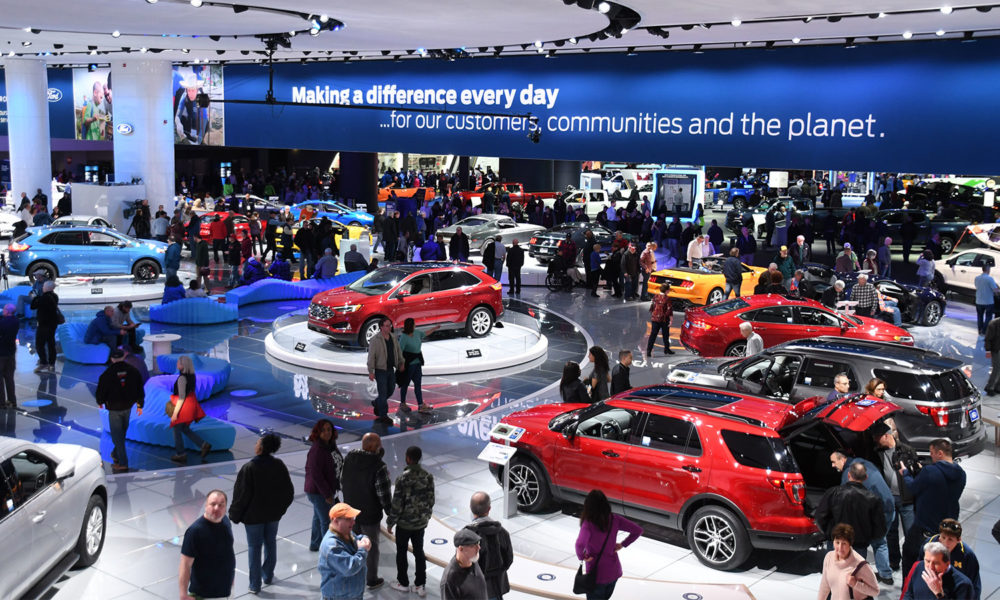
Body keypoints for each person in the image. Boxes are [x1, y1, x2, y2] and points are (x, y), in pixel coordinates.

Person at [229, 432, 294, 594]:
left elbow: (242, 495)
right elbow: (288, 491)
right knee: (270, 542)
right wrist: (280, 510)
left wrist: (234, 514)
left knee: (254, 547)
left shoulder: (249, 468)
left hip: (253, 518)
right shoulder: (279, 465)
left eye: (257, 442)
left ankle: (255, 584)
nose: (255, 444)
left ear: (262, 447)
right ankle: (268, 575)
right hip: (273, 516)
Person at [900, 438, 966, 577]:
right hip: (947, 529)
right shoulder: (961, 474)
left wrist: (905, 473)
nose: (930, 456)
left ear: (940, 453)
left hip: (925, 528)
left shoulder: (930, 472)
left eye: (932, 453)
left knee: (910, 558)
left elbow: (913, 487)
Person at [831, 452, 895, 584]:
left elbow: (848, 499)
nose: (833, 465)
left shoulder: (848, 474)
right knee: (880, 542)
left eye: (834, 462)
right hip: (889, 507)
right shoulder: (864, 463)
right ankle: (886, 575)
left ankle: (859, 575)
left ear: (842, 459)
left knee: (861, 543)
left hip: (878, 511)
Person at [341, 432, 392, 591]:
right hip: (370, 514)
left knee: (354, 543)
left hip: (351, 511)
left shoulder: (349, 457)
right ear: (377, 448)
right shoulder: (379, 467)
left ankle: (355, 572)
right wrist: (391, 513)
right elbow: (384, 495)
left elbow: (343, 480)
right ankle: (371, 579)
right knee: (370, 546)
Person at [574, 489, 642, 600]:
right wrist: (622, 544)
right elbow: (638, 530)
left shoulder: (588, 524)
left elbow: (579, 545)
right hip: (614, 572)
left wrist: (582, 557)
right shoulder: (615, 519)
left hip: (596, 576)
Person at [387, 446, 435, 596]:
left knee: (401, 552)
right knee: (419, 552)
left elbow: (397, 504)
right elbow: (431, 500)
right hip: (420, 524)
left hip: (404, 524)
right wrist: (425, 517)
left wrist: (390, 522)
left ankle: (403, 583)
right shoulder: (428, 476)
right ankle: (420, 584)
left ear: (407, 458)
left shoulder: (402, 478)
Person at [814, 462, 887, 561]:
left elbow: (820, 516)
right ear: (866, 477)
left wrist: (829, 534)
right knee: (854, 575)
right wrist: (867, 538)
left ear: (849, 475)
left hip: (836, 543)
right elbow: (880, 529)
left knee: (835, 574)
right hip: (859, 546)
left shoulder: (833, 493)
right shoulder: (873, 499)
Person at [872, 422, 919, 572]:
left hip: (906, 500)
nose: (875, 440)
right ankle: (894, 561)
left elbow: (916, 473)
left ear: (886, 436)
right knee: (891, 533)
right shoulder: (877, 453)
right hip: (888, 499)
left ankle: (912, 561)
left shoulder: (906, 450)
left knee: (910, 532)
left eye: (877, 437)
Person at [179, 490, 236, 600]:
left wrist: (231, 579)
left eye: (221, 505)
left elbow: (228, 552)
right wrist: (183, 594)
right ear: (206, 506)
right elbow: (185, 565)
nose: (216, 508)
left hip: (226, 591)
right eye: (213, 504)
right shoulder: (195, 531)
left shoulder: (225, 522)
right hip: (204, 595)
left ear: (225, 508)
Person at [465, 491, 514, 600]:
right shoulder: (503, 532)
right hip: (496, 586)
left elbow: (462, 563)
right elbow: (509, 559)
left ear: (471, 508)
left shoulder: (467, 535)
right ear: (489, 509)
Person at [319, 502, 372, 600]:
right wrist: (363, 550)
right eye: (348, 519)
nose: (353, 522)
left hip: (353, 595)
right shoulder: (331, 546)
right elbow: (350, 568)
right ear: (336, 521)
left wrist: (364, 538)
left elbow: (357, 539)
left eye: (353, 518)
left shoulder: (345, 532)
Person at [306, 419, 344, 552]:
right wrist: (327, 494)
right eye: (323, 430)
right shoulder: (317, 450)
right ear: (318, 432)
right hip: (318, 492)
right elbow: (316, 475)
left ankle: (315, 544)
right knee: (326, 521)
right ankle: (327, 551)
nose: (327, 432)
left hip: (328, 489)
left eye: (329, 429)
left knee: (318, 517)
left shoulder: (331, 445)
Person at [817, 523, 880, 600]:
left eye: (844, 543)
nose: (840, 547)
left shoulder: (860, 564)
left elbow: (875, 591)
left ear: (850, 544)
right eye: (837, 542)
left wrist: (856, 584)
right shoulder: (829, 557)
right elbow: (824, 585)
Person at [168, 355, 212, 463]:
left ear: (183, 365)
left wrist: (175, 413)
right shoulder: (192, 375)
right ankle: (203, 444)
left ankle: (180, 454)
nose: (177, 364)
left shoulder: (182, 378)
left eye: (178, 362)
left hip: (184, 406)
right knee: (184, 428)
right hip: (191, 403)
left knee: (176, 429)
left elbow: (181, 396)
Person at [923, 519, 981, 599]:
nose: (945, 543)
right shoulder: (929, 544)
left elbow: (974, 585)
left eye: (950, 539)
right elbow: (919, 568)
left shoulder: (967, 555)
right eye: (943, 537)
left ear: (958, 540)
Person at [900, 541, 975, 600]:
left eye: (935, 563)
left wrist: (939, 594)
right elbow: (909, 594)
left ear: (947, 563)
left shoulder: (963, 585)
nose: (930, 567)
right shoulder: (919, 567)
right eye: (927, 561)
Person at [367, 317, 403, 423]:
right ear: (381, 327)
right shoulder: (375, 340)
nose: (389, 327)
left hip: (391, 369)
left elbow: (398, 351)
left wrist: (401, 362)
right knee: (383, 393)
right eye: (387, 325)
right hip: (380, 370)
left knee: (390, 390)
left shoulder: (393, 337)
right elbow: (371, 357)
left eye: (390, 325)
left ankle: (377, 402)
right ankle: (383, 415)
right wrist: (371, 371)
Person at [397, 318, 437, 414]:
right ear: (410, 325)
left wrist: (434, 328)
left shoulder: (417, 332)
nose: (415, 325)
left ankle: (420, 405)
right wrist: (401, 364)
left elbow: (425, 333)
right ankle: (402, 403)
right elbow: (399, 351)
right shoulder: (404, 337)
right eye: (414, 324)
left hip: (417, 362)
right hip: (408, 364)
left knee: (418, 384)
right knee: (405, 384)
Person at [441, 528, 488, 600]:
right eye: (473, 546)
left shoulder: (473, 561)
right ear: (461, 548)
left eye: (478, 543)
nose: (478, 548)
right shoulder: (449, 579)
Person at [30, 280, 60, 373]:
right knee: (51, 344)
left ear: (47, 288)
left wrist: (34, 297)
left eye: (43, 286)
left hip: (43, 325)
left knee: (39, 344)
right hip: (52, 324)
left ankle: (43, 362)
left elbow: (33, 306)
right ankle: (51, 364)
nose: (42, 287)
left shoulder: (44, 298)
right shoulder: (55, 296)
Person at [647, 283, 674, 358]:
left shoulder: (655, 296)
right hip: (664, 319)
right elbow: (669, 310)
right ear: (667, 290)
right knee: (665, 335)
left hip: (655, 318)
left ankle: (648, 351)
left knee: (653, 335)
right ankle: (667, 349)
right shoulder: (667, 299)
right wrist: (671, 320)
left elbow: (652, 307)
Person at [0, 305, 18, 408]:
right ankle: (12, 400)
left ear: (7, 312)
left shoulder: (2, 323)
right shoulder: (16, 321)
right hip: (11, 353)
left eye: (5, 309)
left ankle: (1, 403)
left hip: (1, 354)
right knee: (9, 378)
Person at [974, 264, 999, 334]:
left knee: (980, 316)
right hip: (988, 301)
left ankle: (980, 330)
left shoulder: (977, 278)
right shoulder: (989, 278)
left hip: (978, 301)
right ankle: (984, 331)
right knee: (988, 317)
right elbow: (995, 290)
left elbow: (976, 286)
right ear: (988, 270)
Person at [984, 313, 1000, 395]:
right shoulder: (994, 324)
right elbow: (988, 339)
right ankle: (989, 387)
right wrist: (988, 351)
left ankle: (997, 387)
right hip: (995, 349)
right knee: (996, 368)